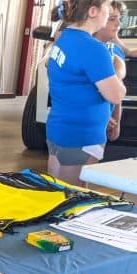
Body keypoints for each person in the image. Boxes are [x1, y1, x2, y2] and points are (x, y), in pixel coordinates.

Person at [46, 0, 126, 185]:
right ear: (93, 11)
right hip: (82, 136)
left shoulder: (63, 38)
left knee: (57, 190)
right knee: (73, 195)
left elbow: (74, 85)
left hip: (59, 129)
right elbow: (116, 95)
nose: (109, 12)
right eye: (107, 8)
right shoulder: (93, 48)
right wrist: (119, 76)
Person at [94, 1, 128, 142]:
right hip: (86, 123)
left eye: (119, 19)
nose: (118, 24)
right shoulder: (88, 51)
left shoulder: (112, 50)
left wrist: (116, 119)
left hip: (101, 124)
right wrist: (99, 115)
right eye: (112, 18)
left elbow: (117, 87)